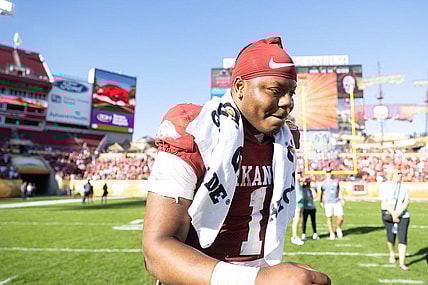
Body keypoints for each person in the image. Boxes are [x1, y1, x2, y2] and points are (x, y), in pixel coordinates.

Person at [143, 37, 330, 285]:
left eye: (291, 93)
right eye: (276, 91)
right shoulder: (196, 131)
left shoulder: (285, 139)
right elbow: (155, 253)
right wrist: (256, 280)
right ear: (240, 87)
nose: (287, 103)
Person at [379, 169, 410, 271]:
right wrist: (393, 213)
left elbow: (406, 201)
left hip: (402, 214)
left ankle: (402, 262)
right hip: (388, 214)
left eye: (401, 173)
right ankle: (392, 252)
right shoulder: (384, 186)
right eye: (398, 173)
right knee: (391, 237)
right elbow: (384, 201)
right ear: (392, 174)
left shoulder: (404, 186)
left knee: (402, 238)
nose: (400, 175)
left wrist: (398, 213)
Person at [320, 169, 345, 240]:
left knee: (341, 217)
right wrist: (321, 201)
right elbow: (322, 192)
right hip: (328, 202)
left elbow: (339, 190)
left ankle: (338, 228)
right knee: (329, 217)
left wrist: (342, 198)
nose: (329, 174)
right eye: (327, 172)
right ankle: (331, 232)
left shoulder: (336, 181)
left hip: (337, 201)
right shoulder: (324, 183)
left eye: (329, 172)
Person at [301, 176, 319, 241]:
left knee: (313, 221)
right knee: (304, 222)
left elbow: (315, 196)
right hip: (305, 208)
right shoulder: (302, 189)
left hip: (312, 208)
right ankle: (303, 234)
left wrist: (312, 189)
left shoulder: (311, 189)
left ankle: (315, 233)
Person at [290, 171, 305, 245]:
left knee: (299, 219)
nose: (300, 175)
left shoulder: (299, 182)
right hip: (297, 202)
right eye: (298, 173)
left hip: (301, 202)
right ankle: (294, 236)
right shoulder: (295, 181)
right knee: (296, 220)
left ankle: (297, 235)